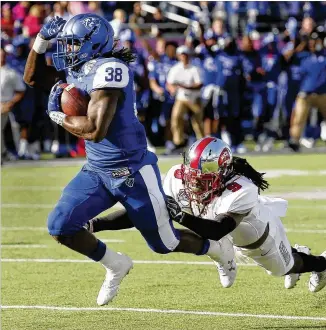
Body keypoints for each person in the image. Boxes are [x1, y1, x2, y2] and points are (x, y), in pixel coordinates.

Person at [23, 14, 234, 305]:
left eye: (72, 44)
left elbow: (95, 130)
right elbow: (32, 77)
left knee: (165, 243)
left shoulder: (111, 69)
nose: (66, 50)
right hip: (97, 170)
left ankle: (217, 249)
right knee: (60, 226)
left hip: (132, 170)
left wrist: (58, 116)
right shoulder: (80, 68)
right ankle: (115, 263)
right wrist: (41, 41)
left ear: (92, 44)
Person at [86, 137, 326, 293]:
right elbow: (142, 211)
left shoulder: (241, 189)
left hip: (256, 237)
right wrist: (94, 224)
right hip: (215, 230)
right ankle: (223, 257)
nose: (194, 180)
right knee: (163, 223)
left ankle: (319, 263)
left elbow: (218, 229)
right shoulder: (178, 177)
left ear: (223, 170)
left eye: (204, 174)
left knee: (283, 269)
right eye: (192, 172)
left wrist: (181, 216)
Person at [289, 31, 326, 151]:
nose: (313, 43)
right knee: (298, 117)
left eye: (316, 41)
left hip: (323, 94)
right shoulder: (303, 57)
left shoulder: (324, 56)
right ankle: (294, 140)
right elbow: (288, 58)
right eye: (312, 41)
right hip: (306, 93)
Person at [166, 46, 204, 152]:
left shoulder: (194, 69)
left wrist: (185, 87)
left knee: (197, 120)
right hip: (181, 98)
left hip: (194, 98)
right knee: (176, 117)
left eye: (185, 55)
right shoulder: (175, 69)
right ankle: (179, 142)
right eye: (182, 55)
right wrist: (172, 89)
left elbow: (199, 84)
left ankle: (202, 142)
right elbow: (169, 83)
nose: (184, 57)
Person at [1, 48, 26, 160]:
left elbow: (21, 90)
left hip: (6, 105)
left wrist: (10, 103)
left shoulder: (11, 72)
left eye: (2, 55)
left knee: (12, 129)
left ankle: (10, 152)